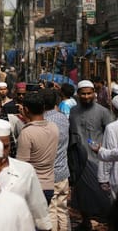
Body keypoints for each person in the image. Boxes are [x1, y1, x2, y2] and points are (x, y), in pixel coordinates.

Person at [0, 119, 52, 230]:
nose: (2, 152)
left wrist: (46, 226)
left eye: (6, 147)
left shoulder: (25, 170)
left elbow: (38, 208)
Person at [69, 80, 115, 227]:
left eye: (89, 93)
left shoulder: (103, 112)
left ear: (94, 93)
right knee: (82, 193)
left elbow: (112, 133)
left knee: (100, 192)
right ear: (78, 94)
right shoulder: (73, 111)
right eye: (83, 93)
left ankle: (106, 219)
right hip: (79, 158)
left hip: (97, 158)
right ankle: (86, 220)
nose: (87, 96)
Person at [16, 91, 58, 203]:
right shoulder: (53, 127)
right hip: (49, 185)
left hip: (33, 187)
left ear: (26, 110)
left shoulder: (27, 133)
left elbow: (21, 165)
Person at [43, 89, 70, 231]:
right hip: (63, 171)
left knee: (51, 210)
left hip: (50, 174)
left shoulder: (43, 122)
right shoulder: (63, 118)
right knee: (63, 209)